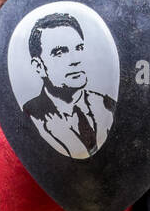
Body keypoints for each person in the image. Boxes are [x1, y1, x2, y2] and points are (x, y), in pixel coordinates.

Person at [23, 13, 115, 158]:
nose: (75, 60)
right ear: (39, 66)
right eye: (60, 52)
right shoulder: (30, 116)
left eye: (79, 48)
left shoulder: (107, 104)